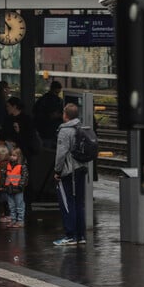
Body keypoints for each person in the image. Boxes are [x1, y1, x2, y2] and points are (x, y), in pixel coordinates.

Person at [53, 103, 86, 246]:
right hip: (81, 169)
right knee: (79, 203)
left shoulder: (65, 131)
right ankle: (81, 236)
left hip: (68, 171)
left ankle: (70, 235)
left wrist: (57, 171)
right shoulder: (81, 128)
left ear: (65, 115)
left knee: (67, 204)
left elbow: (61, 154)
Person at [1, 147, 28, 228]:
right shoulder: (7, 165)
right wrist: (3, 186)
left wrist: (20, 186)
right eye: (11, 155)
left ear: (19, 157)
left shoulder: (22, 166)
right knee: (11, 206)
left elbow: (24, 177)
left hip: (18, 189)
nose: (12, 157)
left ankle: (20, 221)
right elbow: (4, 177)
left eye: (14, 155)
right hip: (9, 188)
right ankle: (13, 220)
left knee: (19, 205)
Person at [33, 81, 63, 149]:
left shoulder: (43, 100)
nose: (56, 95)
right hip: (47, 131)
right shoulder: (47, 101)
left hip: (47, 131)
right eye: (56, 92)